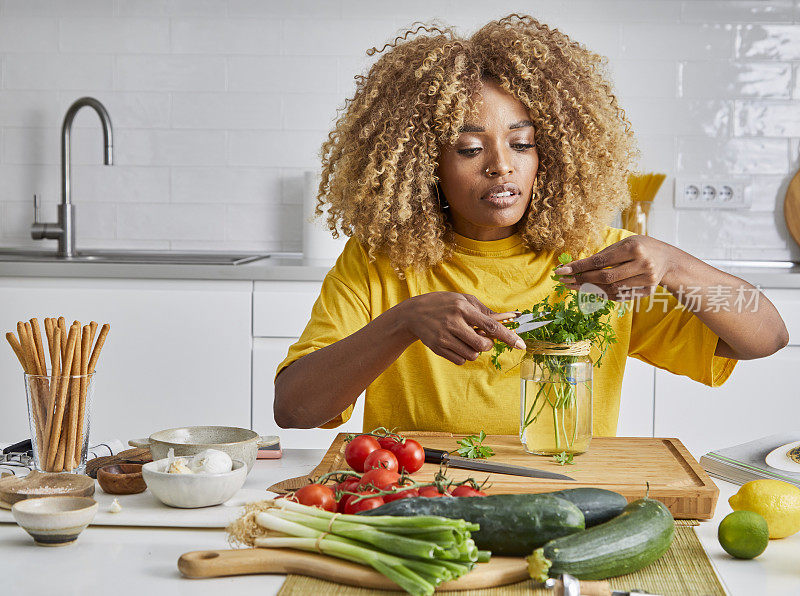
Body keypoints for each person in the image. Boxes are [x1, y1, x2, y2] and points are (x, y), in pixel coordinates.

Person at [273, 14, 788, 437]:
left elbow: (765, 334)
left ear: (554, 152)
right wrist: (402, 322)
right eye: (470, 149)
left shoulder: (601, 264)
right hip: (418, 500)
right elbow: (294, 410)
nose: (502, 165)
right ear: (424, 162)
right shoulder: (380, 263)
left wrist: (677, 266)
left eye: (522, 144)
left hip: (564, 498)